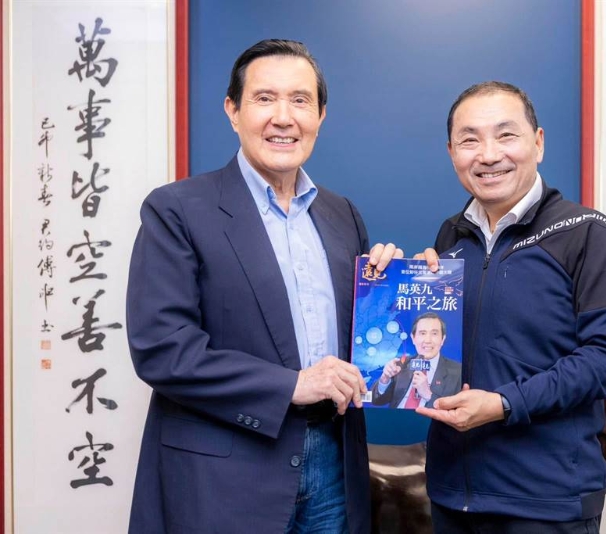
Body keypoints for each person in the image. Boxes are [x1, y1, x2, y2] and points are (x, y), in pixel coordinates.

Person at [126, 39, 402, 534]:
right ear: (233, 111)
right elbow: (162, 349)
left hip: (335, 465)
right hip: (225, 475)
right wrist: (293, 385)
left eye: (300, 100)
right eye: (264, 98)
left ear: (320, 115)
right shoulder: (177, 210)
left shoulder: (342, 214)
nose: (283, 117)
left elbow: (366, 348)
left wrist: (395, 292)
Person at [416, 81, 606, 533]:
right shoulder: (451, 237)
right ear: (452, 153)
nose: (488, 154)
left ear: (538, 142)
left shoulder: (588, 236)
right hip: (452, 497)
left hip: (546, 504)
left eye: (506, 135)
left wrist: (503, 403)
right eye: (470, 140)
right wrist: (397, 285)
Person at [370, 312, 462, 409]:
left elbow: (457, 412)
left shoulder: (458, 372)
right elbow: (376, 400)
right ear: (413, 338)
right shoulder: (401, 364)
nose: (428, 340)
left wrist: (428, 395)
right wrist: (385, 379)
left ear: (442, 339)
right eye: (422, 333)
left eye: (434, 334)